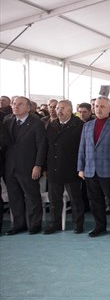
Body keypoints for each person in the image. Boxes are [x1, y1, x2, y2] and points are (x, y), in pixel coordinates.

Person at [77, 96, 110, 238]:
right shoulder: (87, 126)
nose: (98, 109)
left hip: (109, 171)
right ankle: (100, 226)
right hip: (90, 170)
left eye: (102, 106)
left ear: (109, 108)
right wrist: (81, 168)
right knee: (95, 201)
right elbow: (82, 148)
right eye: (97, 106)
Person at [3, 96, 46, 235]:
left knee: (32, 196)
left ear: (28, 108)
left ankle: (34, 225)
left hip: (29, 167)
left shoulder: (36, 123)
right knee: (14, 197)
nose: (15, 106)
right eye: (14, 104)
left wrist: (38, 165)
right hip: (10, 167)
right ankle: (18, 224)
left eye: (20, 104)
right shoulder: (7, 121)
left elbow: (41, 146)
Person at [44, 100, 85, 234]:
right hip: (54, 168)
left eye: (62, 108)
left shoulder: (79, 125)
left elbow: (82, 149)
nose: (59, 111)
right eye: (57, 108)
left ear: (70, 110)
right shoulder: (52, 124)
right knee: (54, 200)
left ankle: (78, 224)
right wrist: (45, 167)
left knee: (75, 199)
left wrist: (81, 167)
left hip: (71, 168)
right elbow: (47, 147)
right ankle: (54, 224)